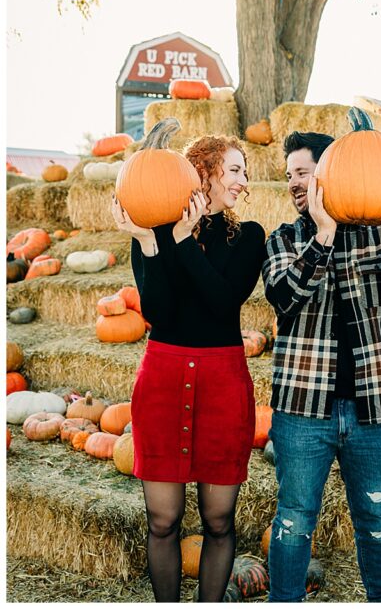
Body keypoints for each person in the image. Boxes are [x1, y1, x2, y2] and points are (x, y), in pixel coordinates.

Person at [262, 131, 381, 603]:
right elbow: (284, 297)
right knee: (293, 520)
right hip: (302, 412)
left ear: (331, 173)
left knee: (376, 522)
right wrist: (324, 236)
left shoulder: (379, 237)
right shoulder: (285, 238)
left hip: (374, 411)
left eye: (303, 173)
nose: (294, 183)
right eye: (289, 175)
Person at [112, 130, 266, 602]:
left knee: (219, 519)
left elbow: (222, 302)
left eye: (244, 171)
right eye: (235, 169)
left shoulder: (249, 237)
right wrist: (148, 240)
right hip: (163, 375)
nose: (244, 180)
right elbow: (158, 310)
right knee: (162, 520)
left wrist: (182, 242)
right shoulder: (154, 228)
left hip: (222, 380)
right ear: (204, 171)